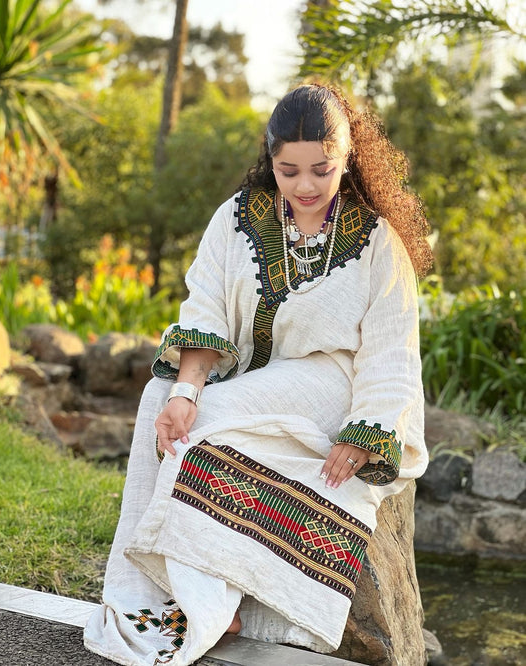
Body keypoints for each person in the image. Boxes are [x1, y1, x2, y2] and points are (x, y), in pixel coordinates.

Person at [84, 83, 433, 666]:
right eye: (288, 170)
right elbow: (205, 308)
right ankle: (149, 595)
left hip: (334, 382)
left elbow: (390, 351)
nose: (304, 186)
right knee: (156, 401)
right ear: (270, 159)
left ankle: (208, 604)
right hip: (252, 373)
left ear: (348, 158)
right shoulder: (237, 217)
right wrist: (185, 389)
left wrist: (365, 430)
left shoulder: (378, 243)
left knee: (208, 420)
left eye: (321, 170)